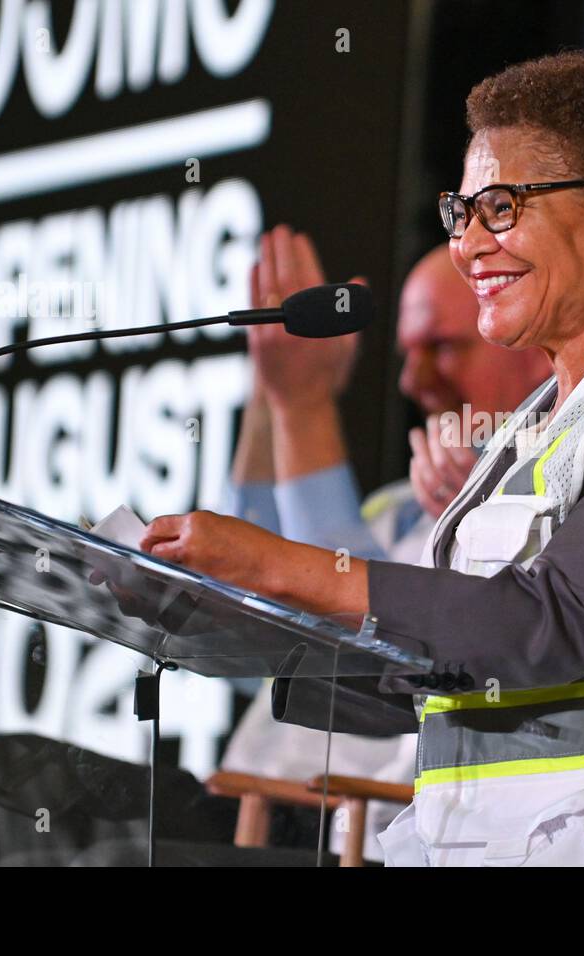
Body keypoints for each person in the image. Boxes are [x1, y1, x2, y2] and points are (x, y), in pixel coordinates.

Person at [140, 51, 584, 867]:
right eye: (460, 210)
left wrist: (281, 565)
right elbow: (450, 667)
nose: (467, 243)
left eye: (501, 208)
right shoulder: (533, 428)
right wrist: (222, 625)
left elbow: (548, 625)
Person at [219, 225, 549, 861]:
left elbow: (351, 631)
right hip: (260, 806)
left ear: (531, 342)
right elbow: (253, 616)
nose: (411, 379)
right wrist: (272, 384)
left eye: (443, 347)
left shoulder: (543, 499)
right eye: (406, 352)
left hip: (360, 833)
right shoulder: (395, 503)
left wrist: (303, 401)